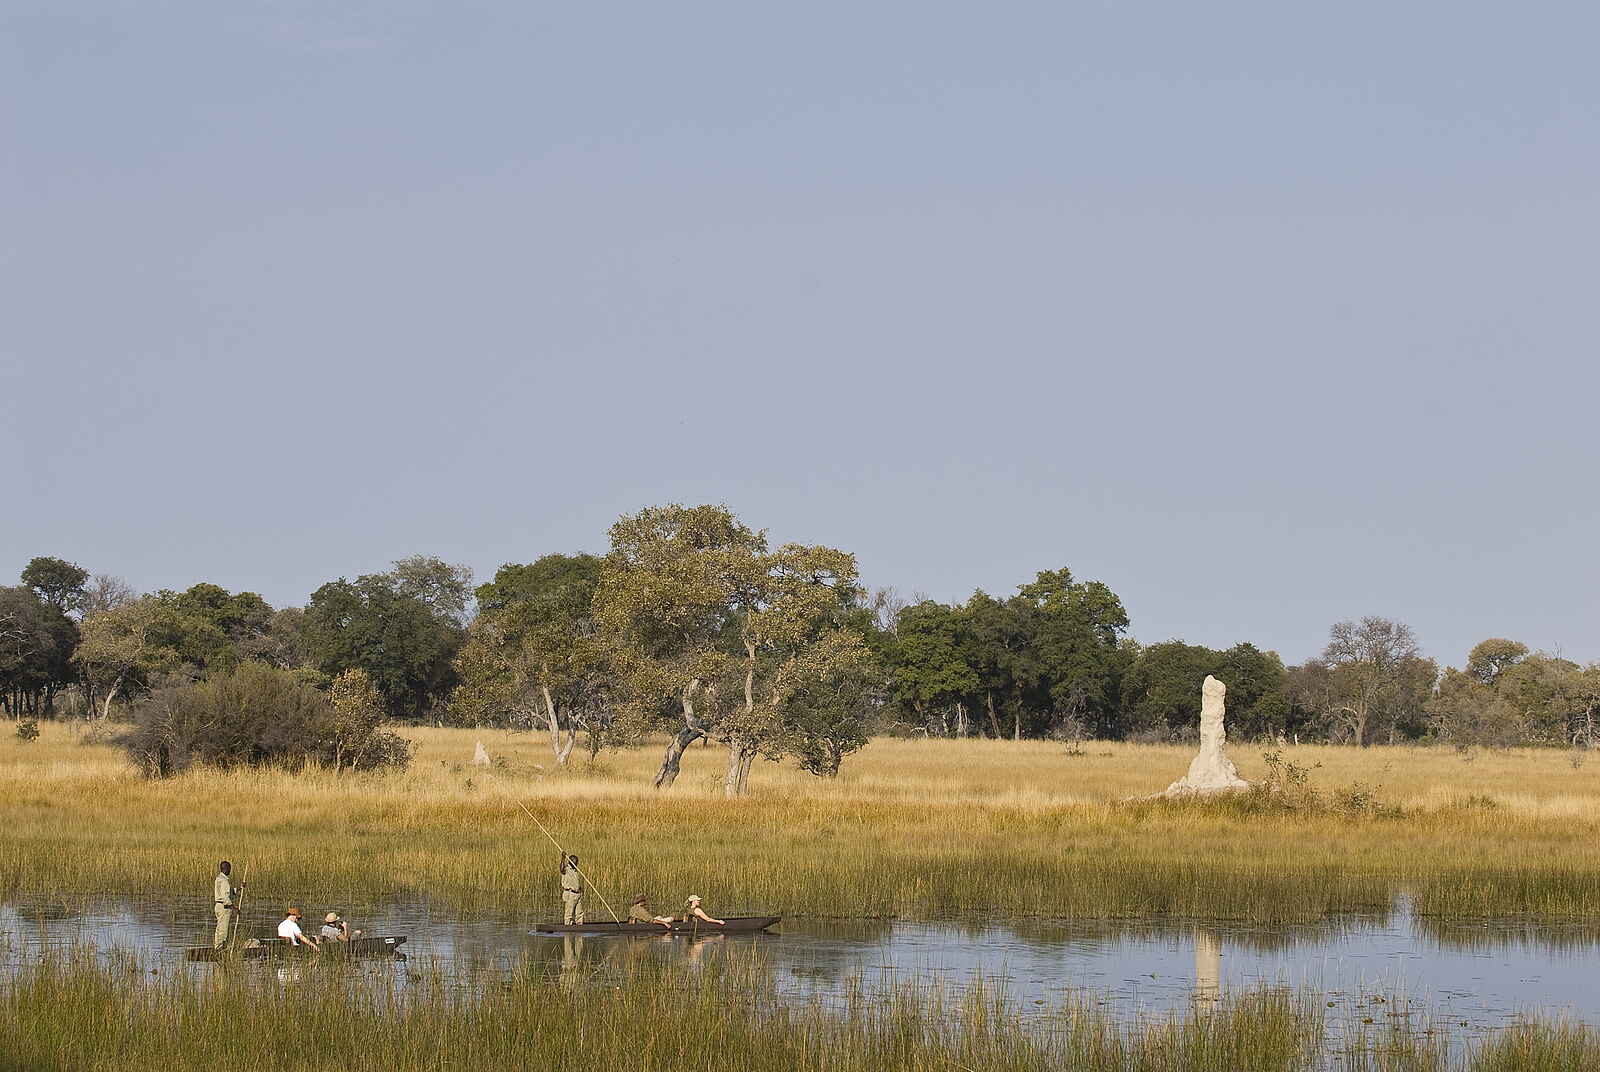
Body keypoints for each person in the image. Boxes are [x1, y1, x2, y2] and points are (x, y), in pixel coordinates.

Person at [212, 860, 244, 950]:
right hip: (224, 907)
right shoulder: (224, 881)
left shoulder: (218, 879)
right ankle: (219, 949)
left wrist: (240, 888)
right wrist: (234, 908)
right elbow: (226, 897)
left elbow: (229, 892)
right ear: (225, 869)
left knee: (219, 928)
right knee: (223, 930)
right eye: (229, 868)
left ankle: (217, 947)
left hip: (218, 906)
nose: (230, 870)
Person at [560, 854, 584, 925]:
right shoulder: (566, 869)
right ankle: (567, 926)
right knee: (569, 912)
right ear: (570, 861)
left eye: (577, 862)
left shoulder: (575, 870)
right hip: (570, 894)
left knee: (579, 912)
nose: (576, 863)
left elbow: (575, 882)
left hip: (577, 894)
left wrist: (579, 888)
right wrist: (563, 858)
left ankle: (579, 924)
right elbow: (561, 869)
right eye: (575, 861)